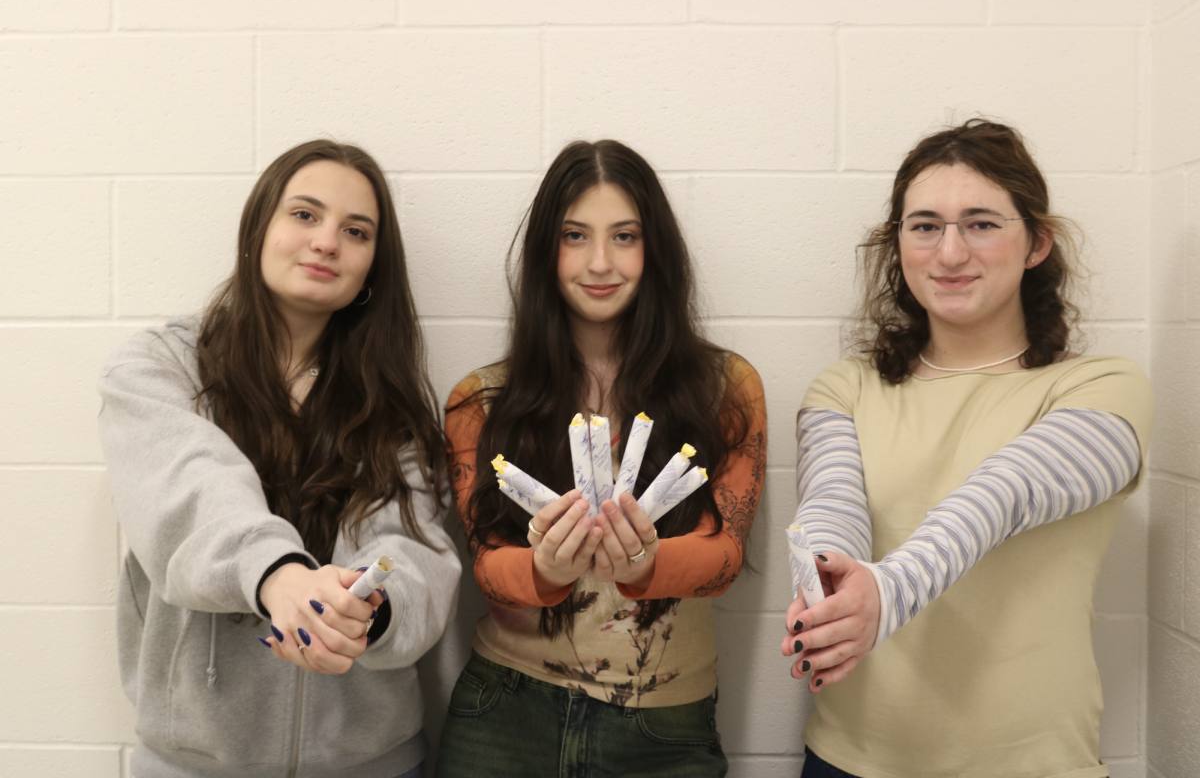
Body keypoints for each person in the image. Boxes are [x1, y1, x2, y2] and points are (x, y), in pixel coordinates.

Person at [781, 119, 1154, 778]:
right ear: (899, 245)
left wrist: (885, 592)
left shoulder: (1103, 388)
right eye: (924, 226)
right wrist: (828, 585)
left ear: (1036, 243)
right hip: (848, 762)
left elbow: (1000, 496)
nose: (950, 253)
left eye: (981, 223)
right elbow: (831, 507)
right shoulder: (845, 387)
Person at [98, 140, 461, 778]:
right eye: (304, 215)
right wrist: (281, 577)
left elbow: (413, 558)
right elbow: (193, 490)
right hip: (192, 765)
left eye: (356, 231)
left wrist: (365, 613)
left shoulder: (395, 411)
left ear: (374, 266)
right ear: (258, 225)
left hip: (374, 764)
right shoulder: (159, 368)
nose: (326, 242)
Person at [435, 140, 766, 777]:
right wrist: (547, 570)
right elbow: (488, 564)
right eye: (574, 235)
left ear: (655, 249)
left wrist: (644, 562)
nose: (599, 262)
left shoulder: (725, 387)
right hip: (505, 710)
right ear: (545, 252)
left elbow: (724, 556)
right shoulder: (480, 400)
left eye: (625, 236)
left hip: (663, 726)